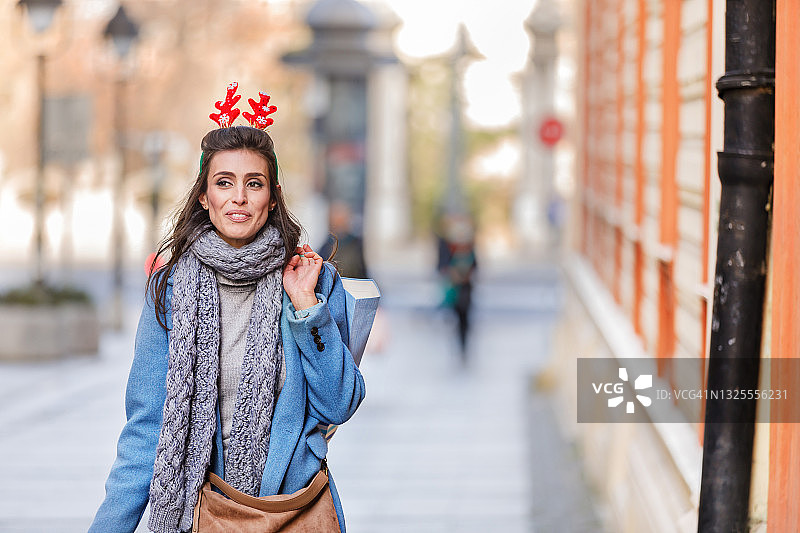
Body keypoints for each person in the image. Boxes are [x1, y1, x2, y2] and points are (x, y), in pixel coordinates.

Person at [89, 86, 365, 533]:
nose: (238, 197)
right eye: (224, 182)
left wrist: (306, 308)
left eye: (253, 183)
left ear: (271, 197)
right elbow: (147, 429)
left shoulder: (311, 280)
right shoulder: (171, 289)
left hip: (294, 511)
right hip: (206, 511)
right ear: (204, 196)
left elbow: (340, 403)